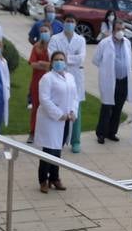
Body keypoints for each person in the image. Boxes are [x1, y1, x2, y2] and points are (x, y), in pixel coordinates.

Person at [34, 50, 76, 192]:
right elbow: (44, 99)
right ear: (52, 63)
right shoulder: (47, 78)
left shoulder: (70, 77)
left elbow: (74, 97)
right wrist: (59, 114)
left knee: (58, 150)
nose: (59, 62)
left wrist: (72, 111)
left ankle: (54, 177)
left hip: (65, 120)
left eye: (61, 59)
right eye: (56, 60)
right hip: (50, 120)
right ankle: (43, 180)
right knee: (48, 150)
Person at [49, 22, 87, 153]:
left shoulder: (81, 39)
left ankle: (75, 141)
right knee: (59, 108)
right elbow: (51, 56)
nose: (69, 24)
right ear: (63, 23)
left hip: (75, 78)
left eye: (72, 22)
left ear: (75, 24)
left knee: (76, 110)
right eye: (67, 21)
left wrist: (64, 57)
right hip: (58, 77)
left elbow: (81, 58)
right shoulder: (55, 38)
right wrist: (72, 58)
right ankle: (58, 139)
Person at [93, 20, 132, 144]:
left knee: (118, 108)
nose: (120, 32)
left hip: (124, 80)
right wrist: (106, 70)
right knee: (107, 107)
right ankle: (101, 133)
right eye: (118, 29)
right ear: (113, 30)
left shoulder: (127, 43)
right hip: (110, 80)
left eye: (122, 29)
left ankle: (112, 132)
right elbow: (96, 60)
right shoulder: (105, 43)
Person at [27, 23, 52, 144]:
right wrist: (45, 64)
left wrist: (41, 63)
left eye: (46, 31)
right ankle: (32, 132)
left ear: (50, 32)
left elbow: (55, 65)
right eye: (42, 31)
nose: (44, 33)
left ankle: (46, 133)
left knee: (49, 107)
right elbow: (32, 64)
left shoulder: (53, 46)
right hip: (37, 82)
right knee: (36, 108)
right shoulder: (36, 47)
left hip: (51, 82)